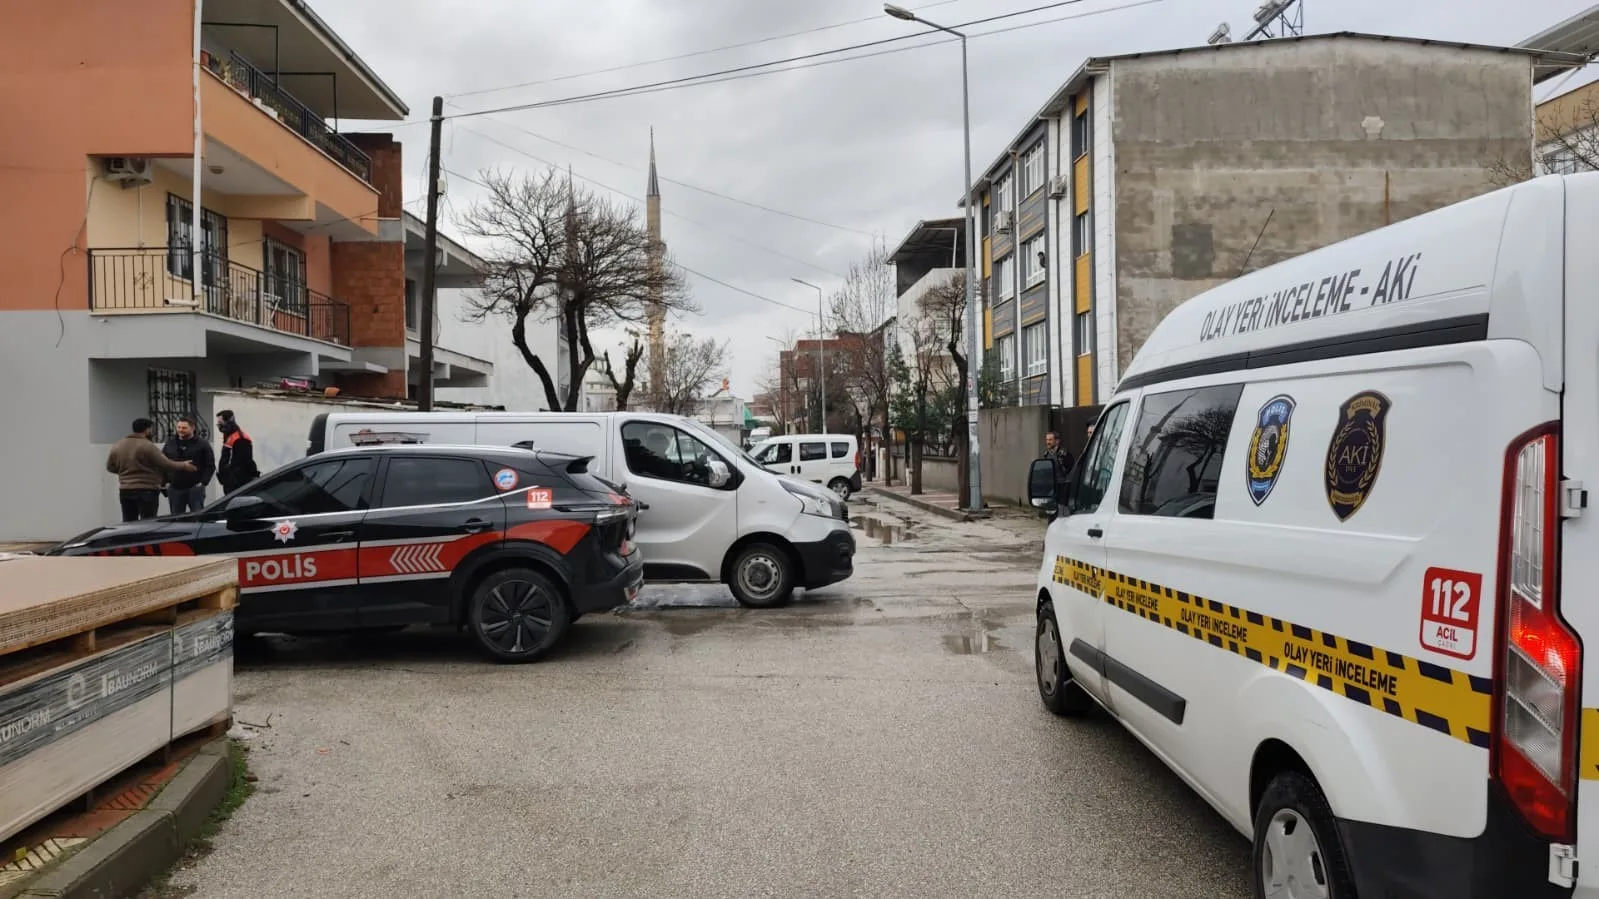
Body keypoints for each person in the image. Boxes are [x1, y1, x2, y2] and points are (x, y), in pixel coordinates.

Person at [106, 418, 196, 522]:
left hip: (125, 489)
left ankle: (130, 538)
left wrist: (125, 471)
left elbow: (110, 467)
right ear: (147, 430)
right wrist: (184, 465)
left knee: (128, 522)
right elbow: (165, 464)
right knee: (148, 522)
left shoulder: (118, 445)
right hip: (147, 489)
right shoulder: (147, 446)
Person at [162, 415, 215, 515]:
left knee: (197, 516)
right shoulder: (170, 444)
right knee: (176, 519)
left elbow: (210, 465)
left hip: (194, 487)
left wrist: (203, 482)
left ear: (192, 428)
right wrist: (164, 482)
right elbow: (163, 463)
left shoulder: (202, 444)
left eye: (184, 428)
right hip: (175, 488)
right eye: (179, 427)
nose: (180, 430)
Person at [215, 409, 260, 493]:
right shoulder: (229, 436)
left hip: (237, 483)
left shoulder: (240, 439)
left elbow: (246, 461)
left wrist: (231, 477)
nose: (219, 427)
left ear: (229, 421)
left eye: (221, 423)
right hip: (230, 481)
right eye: (218, 424)